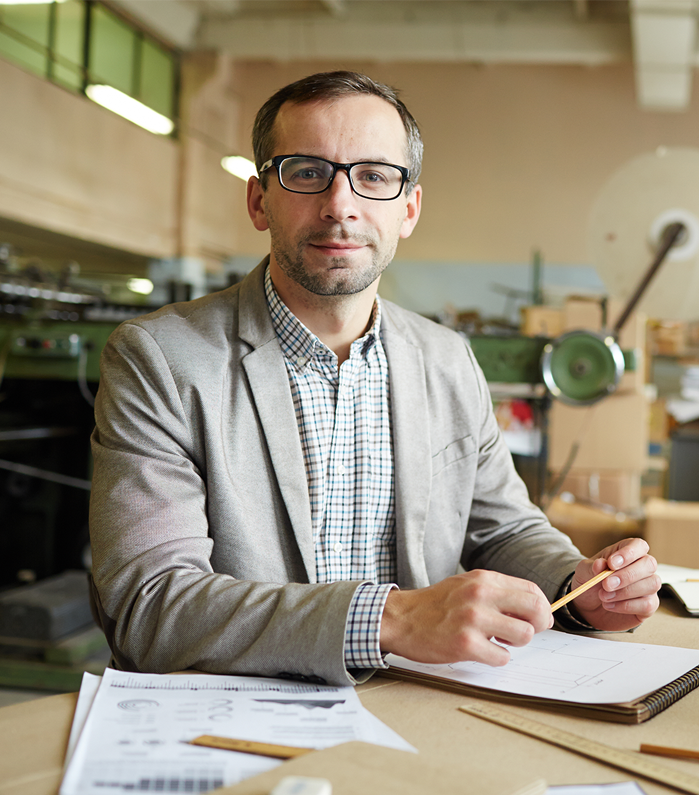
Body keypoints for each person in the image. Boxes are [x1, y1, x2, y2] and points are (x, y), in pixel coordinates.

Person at [88, 70, 660, 687]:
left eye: (375, 176)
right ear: (259, 200)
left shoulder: (447, 359)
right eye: (307, 173)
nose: (341, 205)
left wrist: (577, 587)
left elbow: (504, 529)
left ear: (408, 208)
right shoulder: (161, 360)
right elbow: (147, 606)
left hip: (417, 707)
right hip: (234, 717)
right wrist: (391, 619)